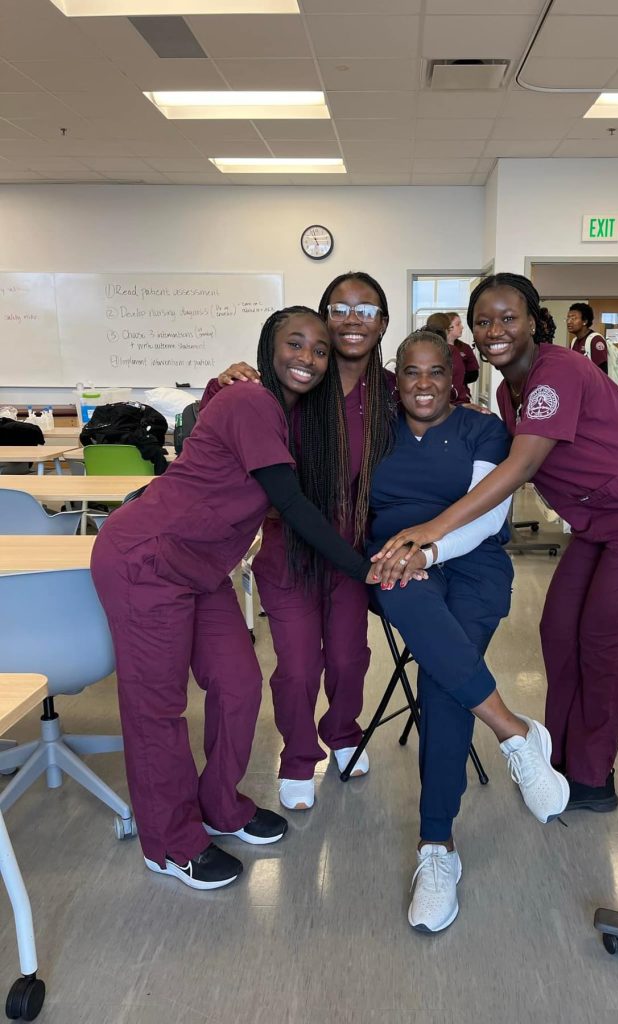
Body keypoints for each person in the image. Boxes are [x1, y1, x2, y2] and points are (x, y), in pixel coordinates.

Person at [374, 274, 618, 815]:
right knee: (559, 630)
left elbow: (524, 464)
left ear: (533, 320)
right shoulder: (513, 392)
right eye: (483, 321)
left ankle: (590, 777)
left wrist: (432, 530)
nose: (494, 331)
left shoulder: (556, 371)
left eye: (508, 318)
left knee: (605, 646)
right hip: (602, 518)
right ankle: (552, 754)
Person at [90, 306, 396, 891]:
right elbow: (294, 504)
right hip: (147, 560)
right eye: (294, 344)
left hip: (202, 568)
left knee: (238, 683)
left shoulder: (282, 410)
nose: (307, 358)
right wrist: (363, 570)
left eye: (319, 350)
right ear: (267, 347)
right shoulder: (254, 401)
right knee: (158, 709)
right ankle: (170, 842)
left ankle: (219, 805)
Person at [368, 329, 569, 933]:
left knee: (441, 681)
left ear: (453, 376)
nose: (423, 384)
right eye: (410, 372)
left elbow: (487, 517)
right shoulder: (376, 433)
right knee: (394, 585)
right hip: (396, 570)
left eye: (435, 372)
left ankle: (438, 849)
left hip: (472, 565)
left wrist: (427, 552)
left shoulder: (483, 428)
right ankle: (514, 734)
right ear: (394, 377)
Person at [207, 273, 398, 814]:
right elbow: (223, 422)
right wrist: (222, 382)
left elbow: (431, 412)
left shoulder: (385, 392)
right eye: (340, 307)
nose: (352, 318)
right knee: (296, 665)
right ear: (322, 316)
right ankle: (296, 757)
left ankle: (341, 732)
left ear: (383, 322)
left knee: (348, 657)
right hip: (288, 550)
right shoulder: (291, 384)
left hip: (353, 552)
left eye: (367, 308)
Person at [426, 312, 471, 404]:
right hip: (453, 403)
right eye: (456, 325)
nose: (462, 327)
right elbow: (458, 378)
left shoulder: (421, 349)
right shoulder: (451, 351)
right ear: (447, 330)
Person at [567, 302, 608, 373]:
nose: (569, 321)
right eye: (568, 318)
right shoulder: (574, 341)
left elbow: (602, 373)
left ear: (585, 321)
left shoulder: (596, 340)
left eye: (573, 318)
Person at [446, 310, 480, 387]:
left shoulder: (465, 348)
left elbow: (474, 374)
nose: (462, 327)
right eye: (458, 324)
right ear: (448, 327)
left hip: (461, 393)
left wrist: (455, 379)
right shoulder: (435, 347)